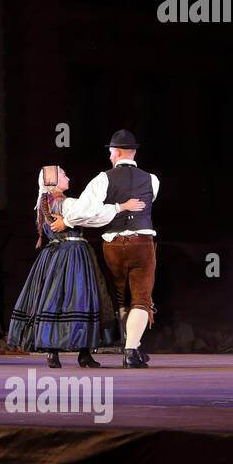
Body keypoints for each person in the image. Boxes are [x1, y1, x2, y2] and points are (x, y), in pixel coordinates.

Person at [9, 166, 144, 367]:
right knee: (81, 299)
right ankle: (84, 352)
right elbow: (90, 215)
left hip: (52, 256)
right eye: (63, 174)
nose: (68, 176)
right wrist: (120, 207)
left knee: (54, 300)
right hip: (73, 254)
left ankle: (54, 353)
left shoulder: (43, 204)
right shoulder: (67, 203)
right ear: (53, 181)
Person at [64, 130, 161, 368]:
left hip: (114, 245)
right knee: (141, 298)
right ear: (134, 152)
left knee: (120, 296)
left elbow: (79, 212)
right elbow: (149, 203)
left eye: (110, 153)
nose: (110, 158)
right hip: (142, 243)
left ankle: (131, 346)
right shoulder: (152, 179)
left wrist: (110, 210)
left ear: (116, 153)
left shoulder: (103, 179)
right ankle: (131, 350)